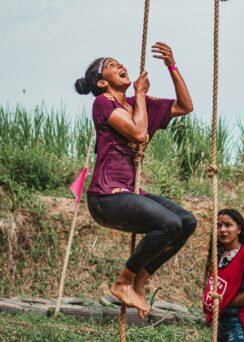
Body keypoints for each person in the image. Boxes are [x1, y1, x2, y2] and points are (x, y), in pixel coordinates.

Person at [74, 42, 196, 318]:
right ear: (103, 83)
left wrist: (172, 66)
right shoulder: (103, 103)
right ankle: (123, 281)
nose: (120, 66)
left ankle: (140, 279)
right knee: (168, 223)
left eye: (120, 62)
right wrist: (140, 94)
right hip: (106, 198)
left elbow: (185, 106)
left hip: (129, 193)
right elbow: (139, 134)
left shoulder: (138, 104)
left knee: (186, 222)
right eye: (112, 66)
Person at [203, 208, 244, 342]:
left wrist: (224, 302)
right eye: (218, 226)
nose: (222, 229)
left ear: (239, 229)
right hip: (222, 322)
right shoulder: (219, 256)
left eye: (228, 225)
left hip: (239, 324)